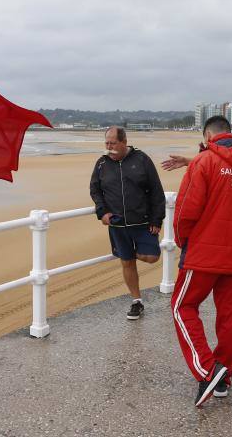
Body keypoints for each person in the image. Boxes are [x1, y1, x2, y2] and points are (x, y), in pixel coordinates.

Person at [171, 116, 232, 406]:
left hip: (203, 254)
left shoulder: (204, 162)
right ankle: (223, 380)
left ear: (208, 136)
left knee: (182, 307)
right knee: (229, 317)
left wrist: (184, 241)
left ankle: (207, 368)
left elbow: (185, 210)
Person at [89, 126, 165, 320]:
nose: (109, 147)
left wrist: (157, 219)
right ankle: (136, 301)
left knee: (152, 257)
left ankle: (131, 256)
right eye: (106, 143)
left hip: (143, 222)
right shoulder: (102, 163)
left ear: (124, 142)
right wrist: (102, 212)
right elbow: (95, 190)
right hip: (117, 224)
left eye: (113, 143)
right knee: (126, 262)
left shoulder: (142, 160)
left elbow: (156, 190)